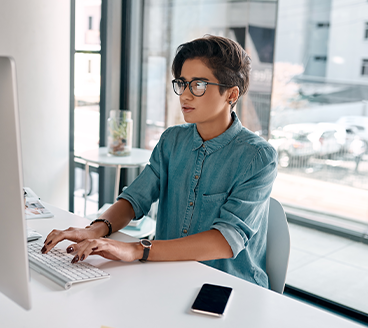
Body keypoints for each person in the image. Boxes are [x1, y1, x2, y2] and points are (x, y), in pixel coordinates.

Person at [43, 35, 277, 288]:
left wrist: (137, 249)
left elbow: (225, 240)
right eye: (182, 83)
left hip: (231, 288)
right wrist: (94, 230)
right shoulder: (172, 140)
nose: (185, 95)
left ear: (231, 94)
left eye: (198, 85)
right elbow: (134, 199)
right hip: (168, 277)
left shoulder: (258, 157)